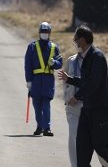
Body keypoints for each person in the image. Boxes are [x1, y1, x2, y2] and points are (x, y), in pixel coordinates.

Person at [58, 25, 108, 167]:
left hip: (100, 112)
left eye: (76, 39)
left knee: (101, 148)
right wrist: (70, 79)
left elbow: (93, 84)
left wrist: (77, 97)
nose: (75, 43)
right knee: (82, 149)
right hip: (88, 110)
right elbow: (86, 82)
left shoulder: (97, 57)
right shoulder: (86, 57)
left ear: (83, 40)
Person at [24, 22, 62, 136]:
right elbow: (28, 65)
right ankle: (39, 126)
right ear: (39, 33)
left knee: (46, 104)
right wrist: (28, 81)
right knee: (36, 105)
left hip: (48, 80)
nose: (44, 34)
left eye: (46, 32)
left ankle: (47, 128)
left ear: (49, 33)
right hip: (35, 80)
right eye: (42, 32)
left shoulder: (54, 47)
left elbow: (60, 63)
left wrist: (54, 62)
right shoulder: (32, 47)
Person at [63, 52, 83, 167]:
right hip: (72, 107)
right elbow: (65, 81)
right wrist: (67, 97)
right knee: (73, 136)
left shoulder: (94, 61)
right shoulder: (70, 61)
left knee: (90, 140)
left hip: (88, 106)